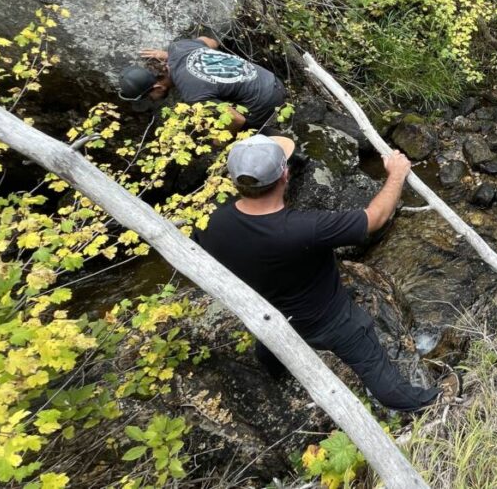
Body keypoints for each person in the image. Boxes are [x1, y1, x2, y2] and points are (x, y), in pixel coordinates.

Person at [196, 135, 457, 412]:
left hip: (270, 319)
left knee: (269, 354)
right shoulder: (304, 229)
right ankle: (427, 403)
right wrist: (396, 175)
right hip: (331, 320)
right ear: (285, 174)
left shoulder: (212, 222)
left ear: (237, 181)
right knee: (378, 372)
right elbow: (375, 217)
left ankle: (279, 382)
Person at [118, 36, 286, 132]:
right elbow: (212, 41)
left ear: (157, 87)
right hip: (271, 80)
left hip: (267, 101)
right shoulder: (178, 47)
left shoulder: (192, 92)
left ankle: (291, 155)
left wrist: (221, 140)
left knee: (244, 135)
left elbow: (237, 119)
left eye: (149, 97)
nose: (152, 100)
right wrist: (173, 55)